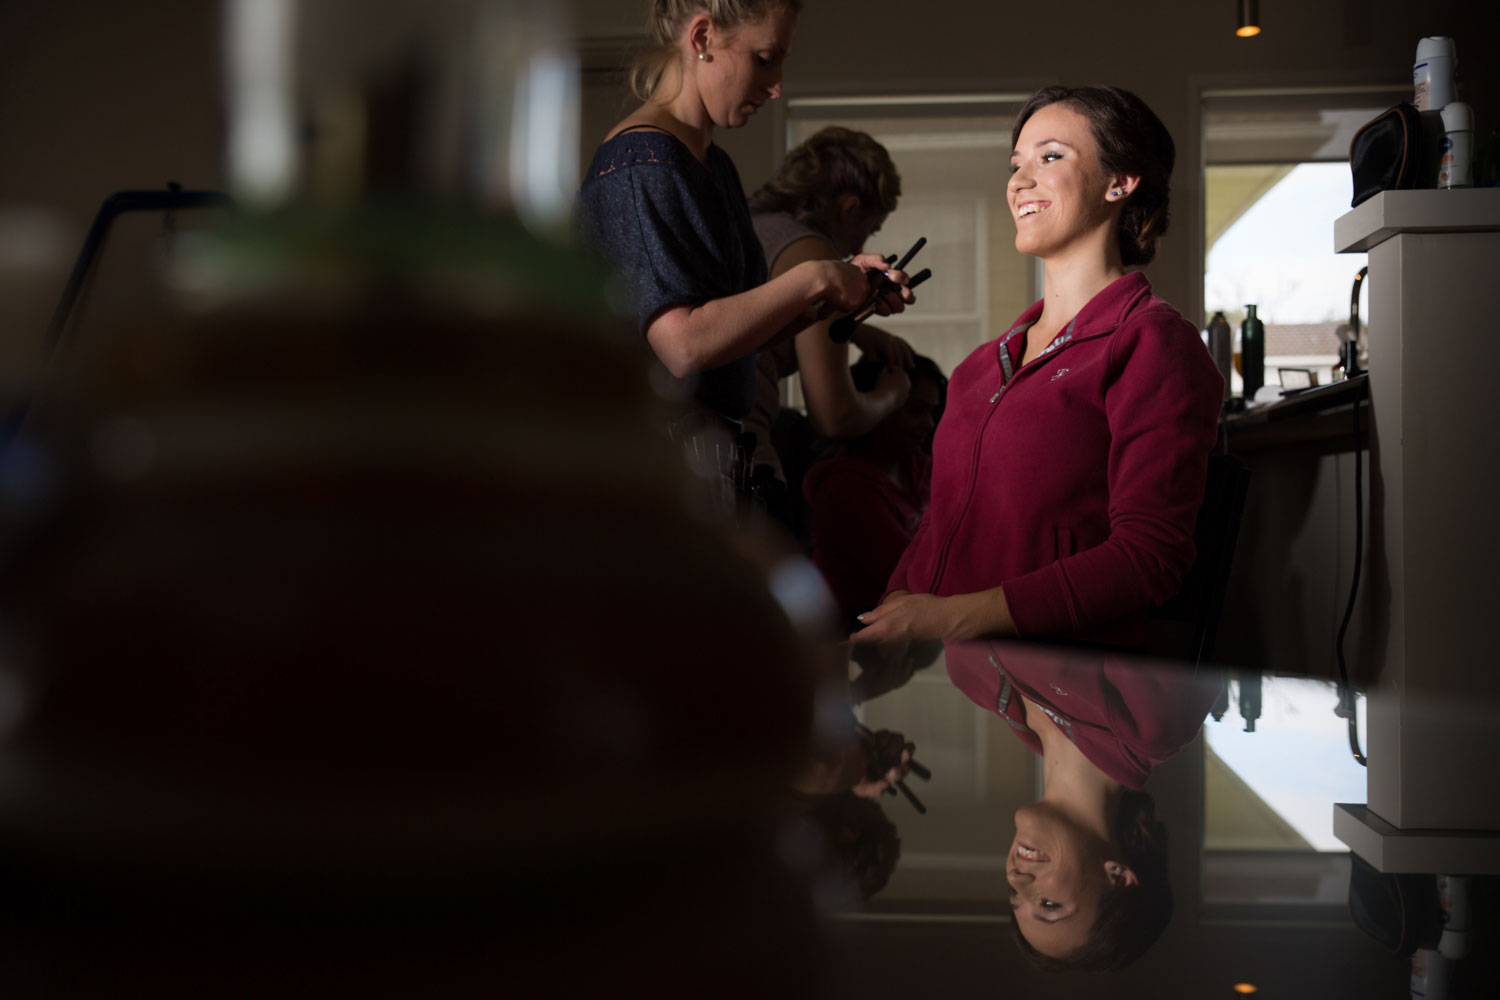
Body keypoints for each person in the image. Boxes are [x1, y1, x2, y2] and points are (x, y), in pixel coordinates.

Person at [849, 84, 1223, 649]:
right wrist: (898, 605)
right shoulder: (980, 367)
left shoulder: (1153, 343)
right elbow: (941, 524)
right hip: (953, 675)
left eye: (1050, 157)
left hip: (1064, 690)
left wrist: (949, 617)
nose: (1019, 182)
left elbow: (1150, 557)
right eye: (1016, 164)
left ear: (1120, 181)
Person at [575, 0, 912, 432]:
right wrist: (817, 276)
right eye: (765, 59)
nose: (776, 87)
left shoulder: (714, 167)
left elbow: (735, 338)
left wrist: (834, 293)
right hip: (649, 464)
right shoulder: (641, 165)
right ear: (702, 38)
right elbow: (683, 346)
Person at [945, 638, 1220, 970]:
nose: (1016, 878)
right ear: (1117, 877)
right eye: (1049, 904)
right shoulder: (1153, 724)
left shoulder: (973, 681)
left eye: (1014, 895)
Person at [741, 126, 917, 517]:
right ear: (848, 208)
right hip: (743, 465)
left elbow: (763, 317)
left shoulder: (753, 226)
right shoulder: (816, 257)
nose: (859, 250)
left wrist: (859, 330)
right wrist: (893, 394)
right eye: (868, 230)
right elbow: (835, 414)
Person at [802, 353, 946, 630]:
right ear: (879, 407)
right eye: (916, 411)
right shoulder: (844, 489)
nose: (929, 424)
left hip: (912, 621)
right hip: (857, 629)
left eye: (932, 412)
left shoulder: (917, 465)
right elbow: (911, 572)